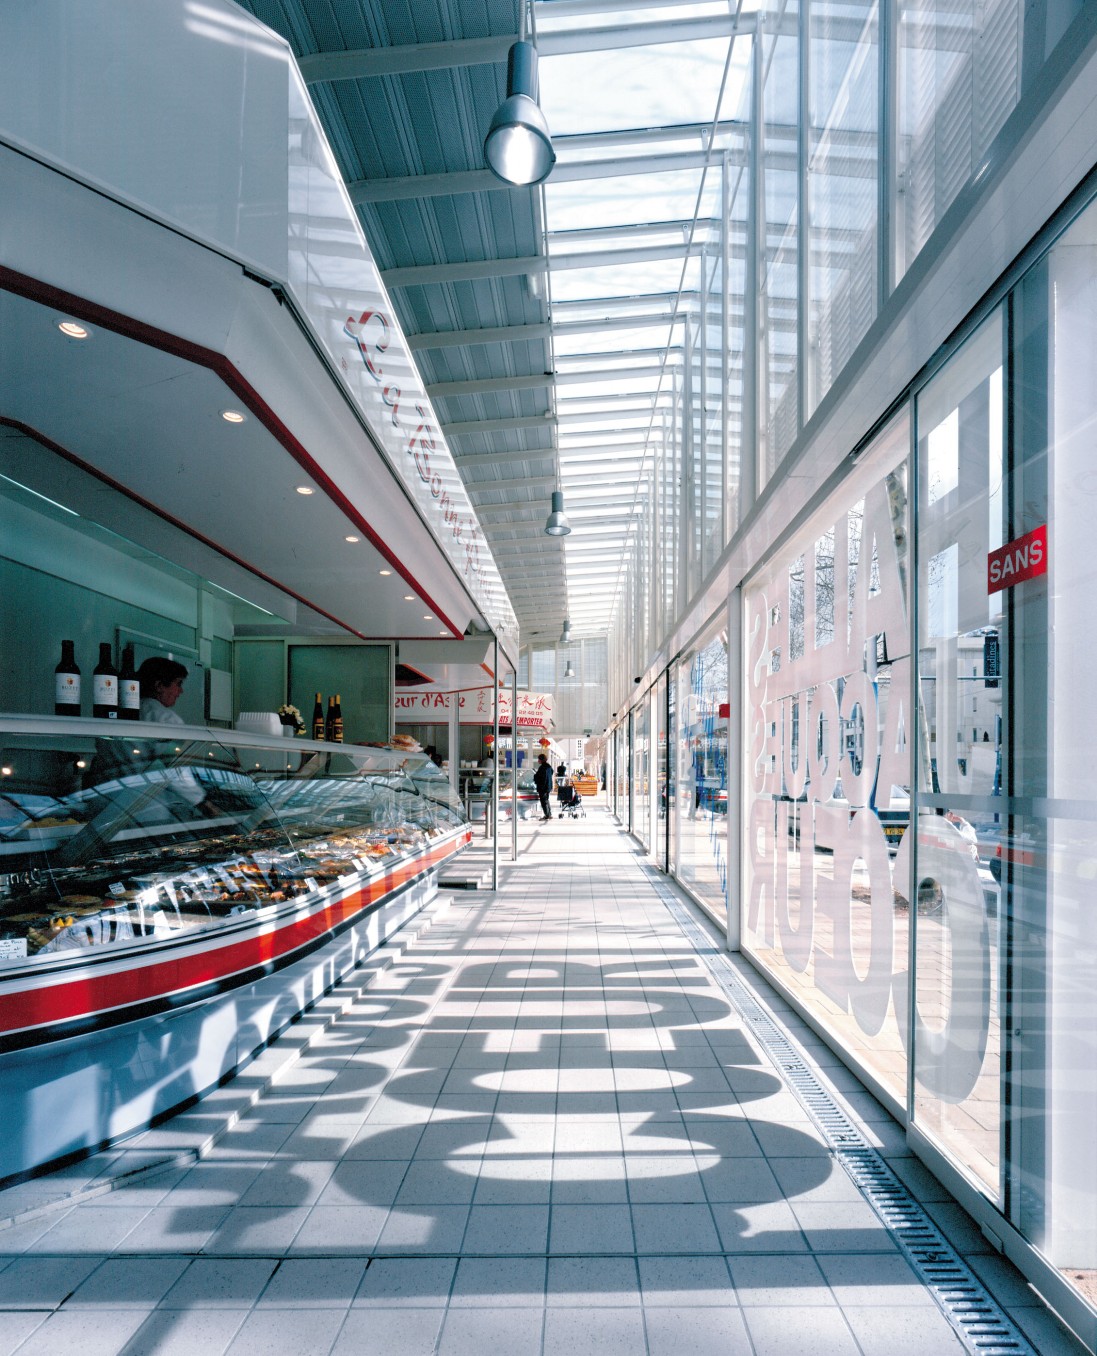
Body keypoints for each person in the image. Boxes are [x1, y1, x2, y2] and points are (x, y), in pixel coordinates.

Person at [138, 656, 189, 725]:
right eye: (178, 684)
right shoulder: (169, 719)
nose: (181, 690)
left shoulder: (126, 712)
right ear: (159, 686)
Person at [533, 753, 553, 820]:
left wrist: (535, 776)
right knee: (546, 800)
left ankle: (547, 815)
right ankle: (549, 814)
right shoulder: (549, 766)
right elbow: (551, 773)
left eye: (538, 759)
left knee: (544, 801)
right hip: (548, 786)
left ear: (541, 760)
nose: (538, 760)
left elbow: (540, 777)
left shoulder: (542, 767)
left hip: (543, 787)